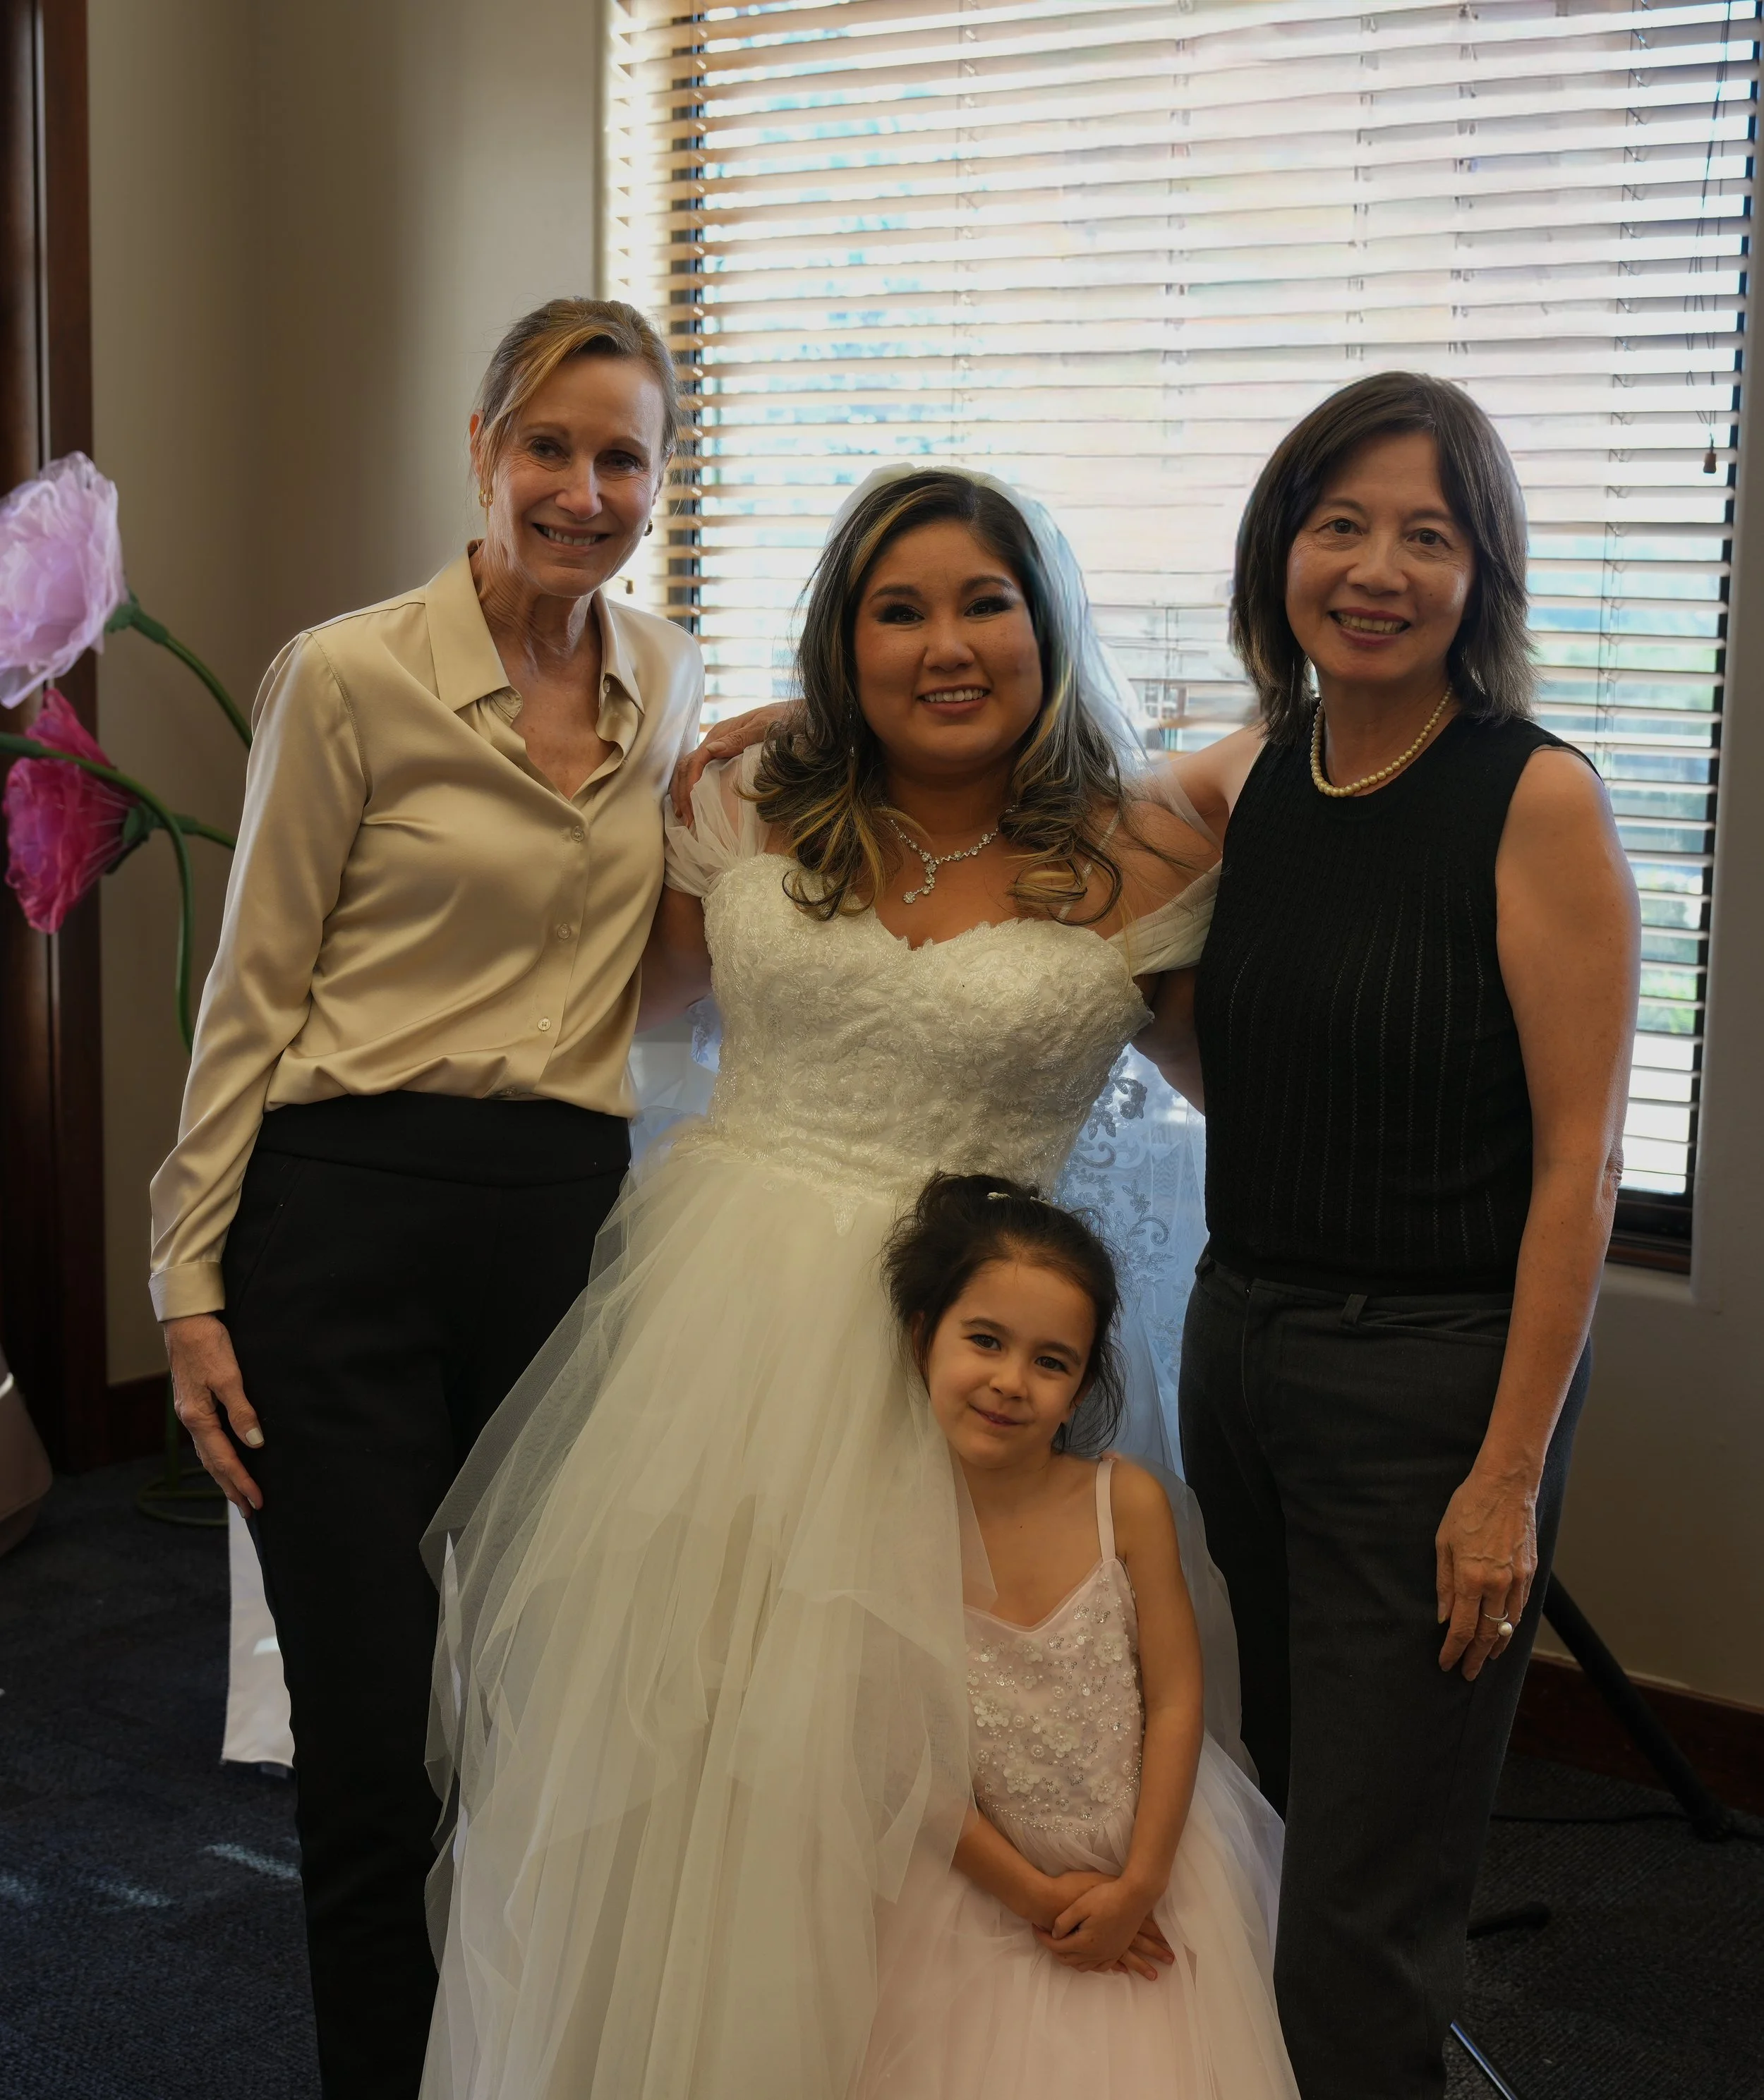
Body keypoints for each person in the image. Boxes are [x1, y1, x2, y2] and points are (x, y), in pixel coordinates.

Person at [419, 466, 1220, 2099]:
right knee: (699, 1754)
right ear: (836, 639)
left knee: (966, 1755)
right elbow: (615, 1015)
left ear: (1046, 620)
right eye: (893, 610)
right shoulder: (750, 802)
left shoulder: (1141, 852)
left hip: (976, 1353)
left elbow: (1314, 769)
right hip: (718, 1342)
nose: (944, 642)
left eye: (983, 603)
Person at [147, 298, 703, 2100]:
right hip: (344, 1229)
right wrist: (187, 1285)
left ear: (658, 483)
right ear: (480, 452)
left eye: (622, 456)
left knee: (538, 1731)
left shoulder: (672, 682)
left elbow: (678, 940)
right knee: (374, 1744)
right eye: (549, 445)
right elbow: (250, 994)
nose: (582, 487)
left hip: (562, 1235)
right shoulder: (350, 674)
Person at [1141, 371, 1641, 2099]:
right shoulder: (1246, 778)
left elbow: (1575, 1170)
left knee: (1364, 1888)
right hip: (1243, 1348)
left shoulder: (1532, 799)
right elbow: (1031, 805)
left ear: (1478, 575)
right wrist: (797, 732)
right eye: (1337, 523)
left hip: (1433, 1387)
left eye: (1424, 535)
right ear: (1279, 548)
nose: (1373, 566)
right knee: (1290, 1820)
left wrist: (1504, 1478)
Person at [857, 1173, 1296, 2100]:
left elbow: (1179, 1700)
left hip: (1154, 1856)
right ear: (921, 1336)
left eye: (1052, 1361)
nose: (1011, 1382)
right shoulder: (883, 1532)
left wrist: (1138, 1883)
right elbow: (903, 1757)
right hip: (974, 1877)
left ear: (1083, 1383)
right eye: (985, 1341)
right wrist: (1032, 1895)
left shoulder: (1124, 1502)